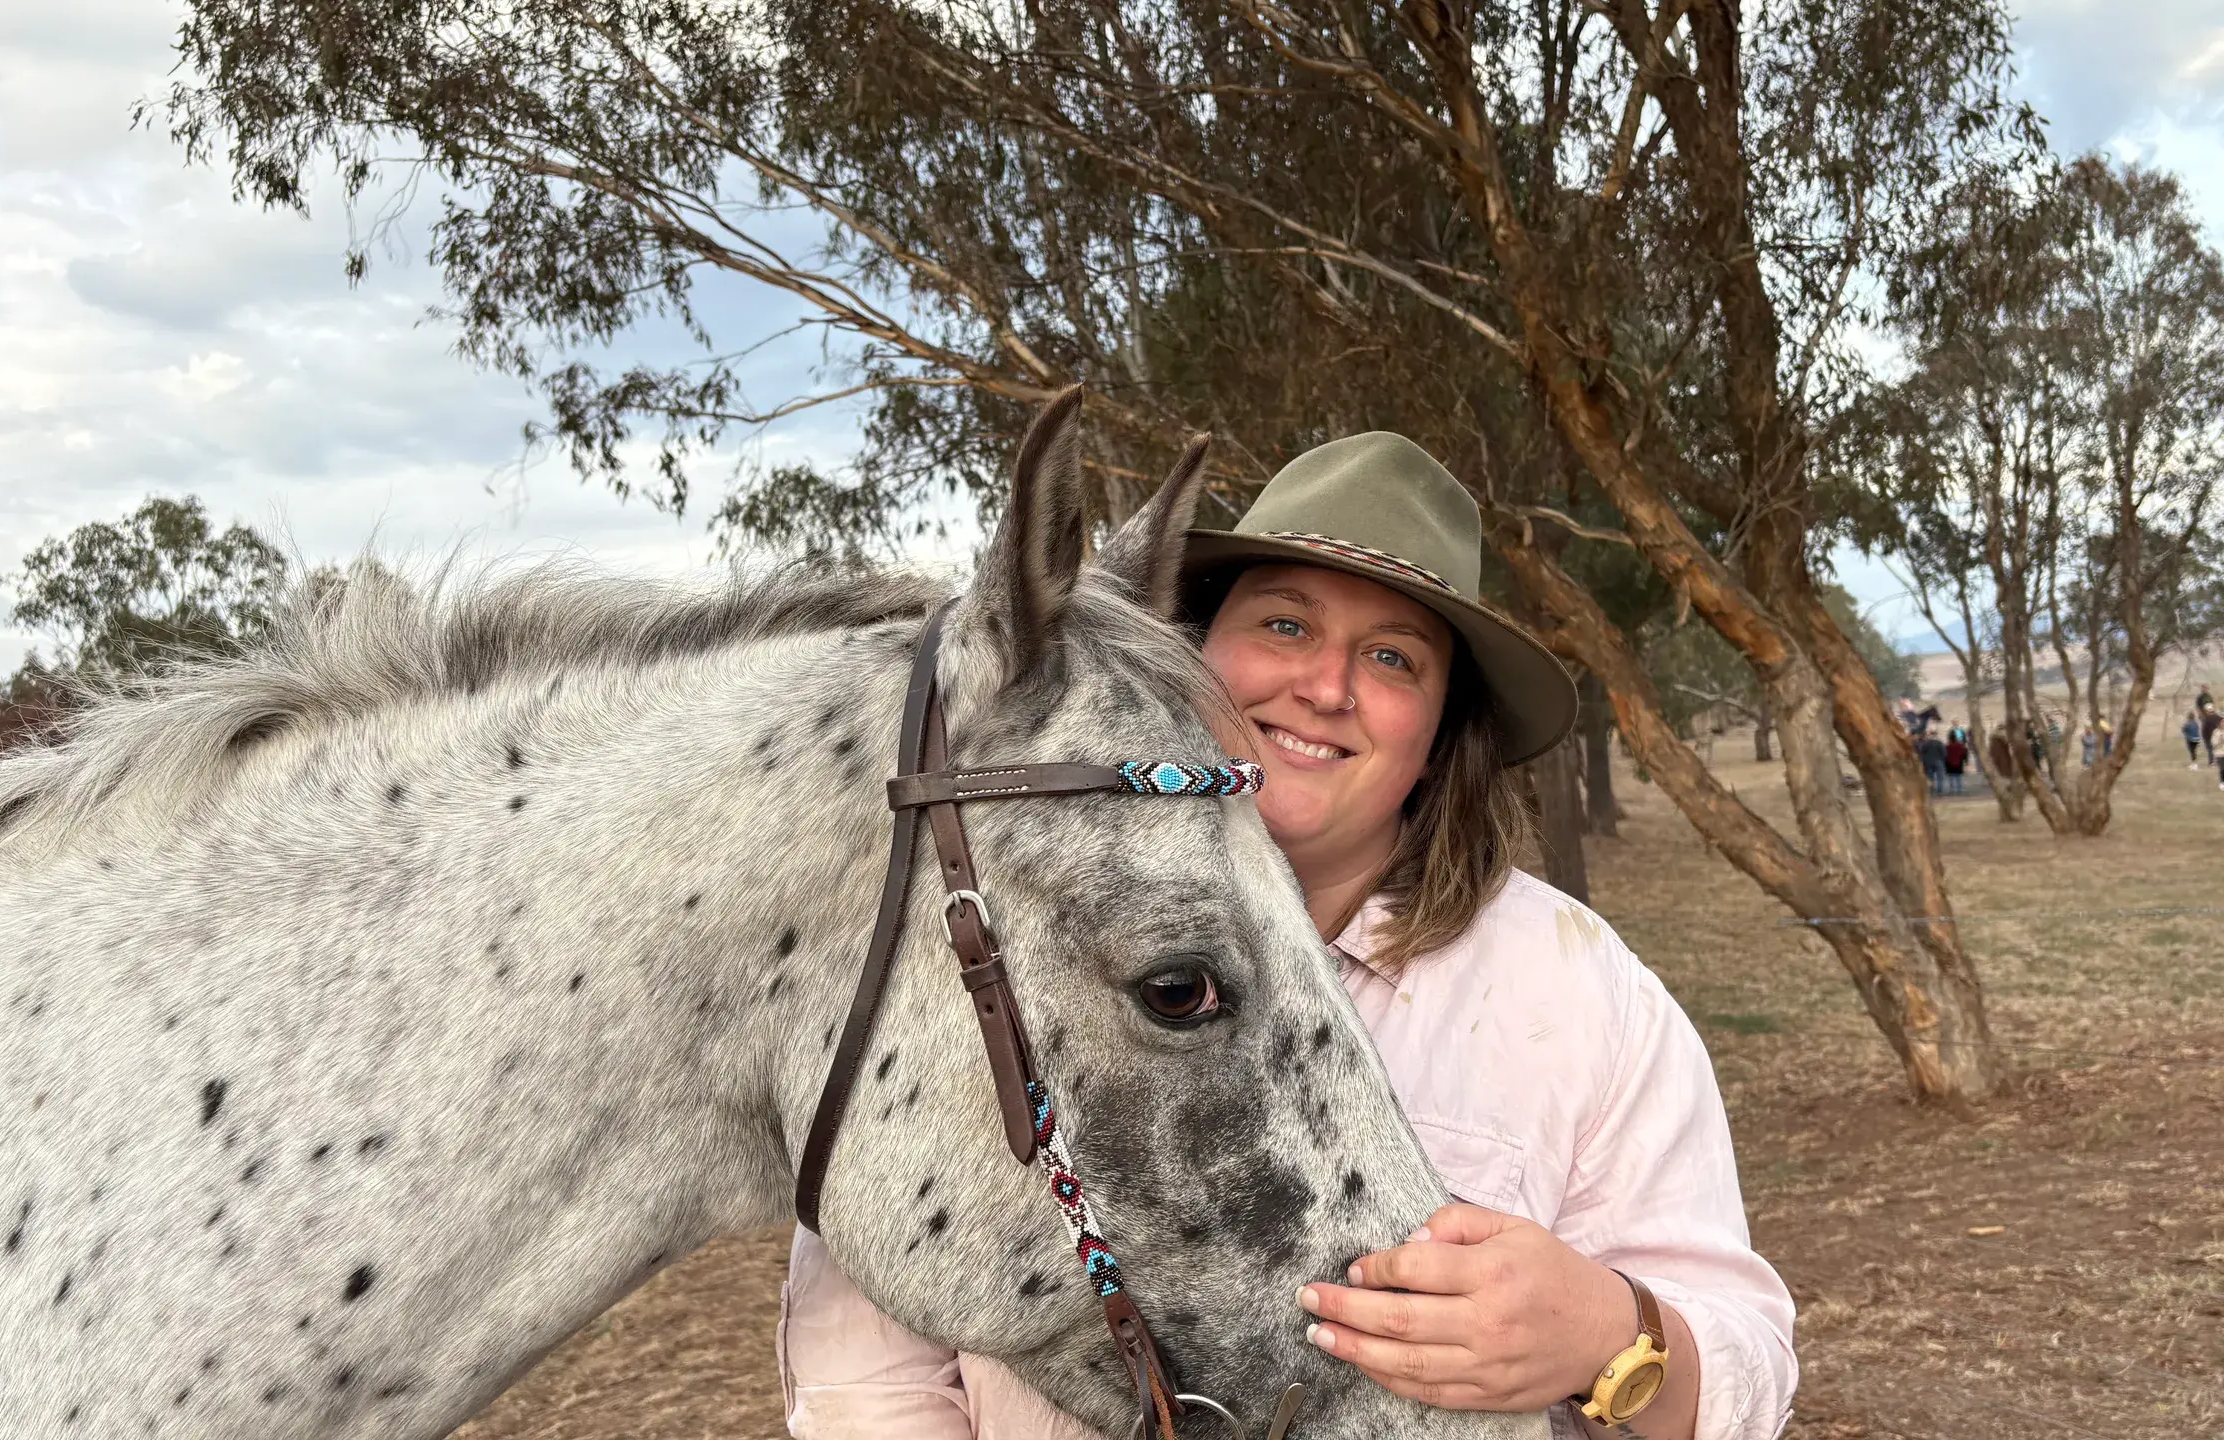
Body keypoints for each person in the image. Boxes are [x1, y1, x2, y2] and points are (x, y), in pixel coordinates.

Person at [777, 433, 1797, 1440]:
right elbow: (862, 1365)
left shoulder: (1577, 990)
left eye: (1393, 657)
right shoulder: (975, 920)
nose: (1325, 686)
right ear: (1184, 651)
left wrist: (1611, 1336)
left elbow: (1743, 1383)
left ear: (1441, 730)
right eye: (1284, 623)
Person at [1918, 725, 1949, 797]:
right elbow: (1944, 753)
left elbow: (1922, 753)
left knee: (1930, 777)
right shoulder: (1939, 743)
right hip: (1938, 761)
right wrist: (1943, 760)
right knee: (1940, 777)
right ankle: (1940, 791)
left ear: (1930, 735)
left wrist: (1924, 761)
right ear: (1936, 735)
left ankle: (1931, 790)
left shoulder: (1926, 744)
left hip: (1928, 762)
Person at [1943, 727, 1969, 793]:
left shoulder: (1947, 746)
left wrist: (1945, 762)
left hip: (1949, 763)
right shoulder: (1960, 746)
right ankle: (1959, 789)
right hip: (1959, 762)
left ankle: (1952, 789)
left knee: (1951, 777)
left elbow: (1945, 755)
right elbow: (1964, 753)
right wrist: (1966, 761)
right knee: (1958, 777)